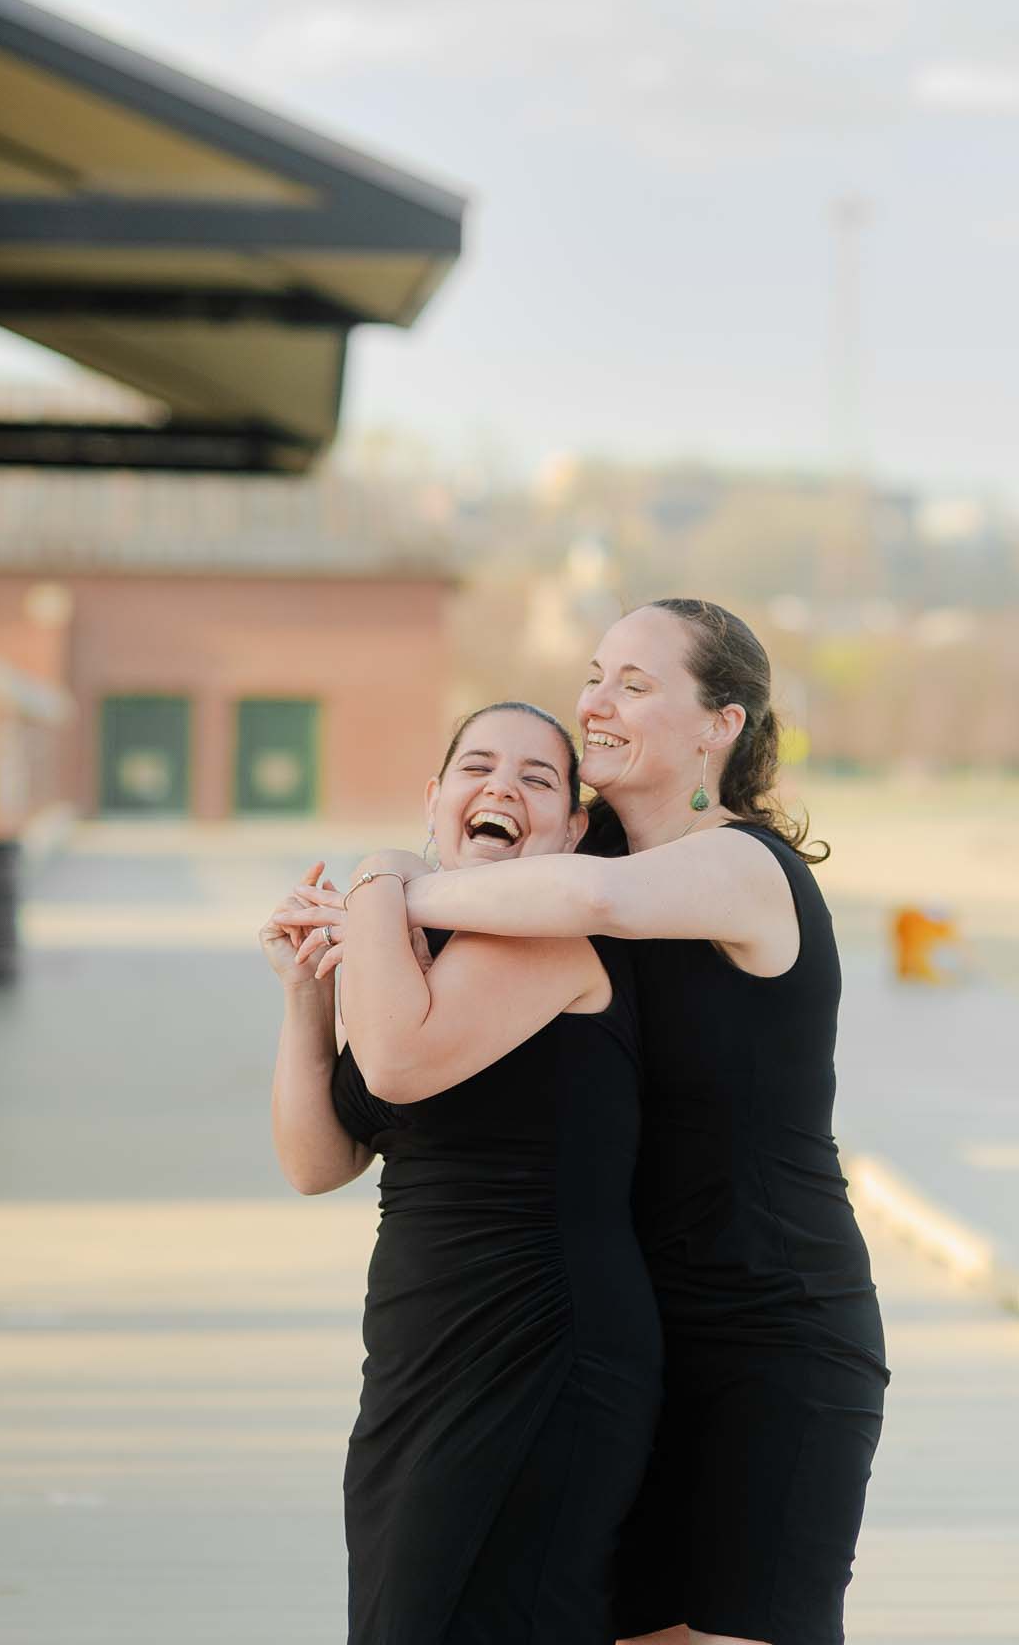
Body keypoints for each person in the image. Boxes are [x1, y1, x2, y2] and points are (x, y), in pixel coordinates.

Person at [296, 599, 887, 1645]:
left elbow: (597, 901)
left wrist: (388, 879)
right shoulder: (573, 861)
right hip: (632, 1333)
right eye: (594, 673)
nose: (594, 702)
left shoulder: (737, 866)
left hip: (769, 1328)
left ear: (720, 725)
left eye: (634, 683)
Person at [262, 701, 662, 1645]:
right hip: (419, 1354)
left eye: (536, 779)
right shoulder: (412, 956)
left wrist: (379, 874)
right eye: (477, 767)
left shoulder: (549, 945)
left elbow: (396, 1063)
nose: (502, 789)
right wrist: (305, 999)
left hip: (536, 1344)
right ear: (434, 798)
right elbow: (319, 1162)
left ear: (570, 830)